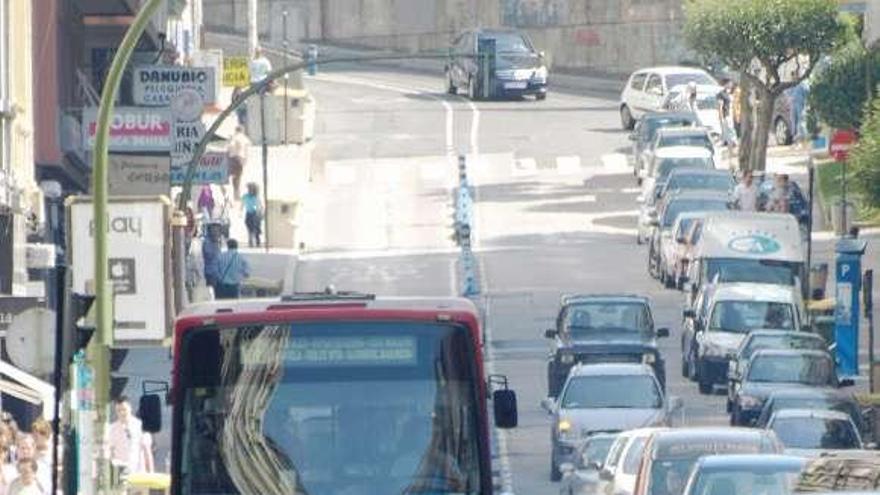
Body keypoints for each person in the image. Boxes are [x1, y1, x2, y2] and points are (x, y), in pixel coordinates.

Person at [109, 397, 145, 489]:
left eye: (124, 409)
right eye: (118, 410)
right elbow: (109, 451)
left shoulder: (139, 425)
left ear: (130, 408)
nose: (121, 413)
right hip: (120, 474)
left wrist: (147, 472)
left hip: (137, 473)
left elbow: (145, 449)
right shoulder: (112, 429)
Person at [227, 126, 251, 200]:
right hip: (241, 159)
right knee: (238, 177)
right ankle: (237, 195)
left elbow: (230, 147)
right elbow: (247, 151)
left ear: (236, 130)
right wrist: (245, 160)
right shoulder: (245, 139)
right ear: (242, 131)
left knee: (232, 177)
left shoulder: (234, 138)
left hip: (233, 158)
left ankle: (234, 194)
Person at [717, 78, 738, 162]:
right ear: (726, 84)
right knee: (730, 133)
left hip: (730, 115)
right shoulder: (721, 94)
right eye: (730, 83)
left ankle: (732, 152)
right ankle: (732, 151)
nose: (731, 84)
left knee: (730, 134)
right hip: (726, 116)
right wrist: (721, 117)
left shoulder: (730, 93)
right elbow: (720, 106)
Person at [242, 183, 263, 248]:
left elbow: (259, 206)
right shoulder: (245, 196)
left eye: (251, 189)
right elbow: (242, 204)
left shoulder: (256, 197)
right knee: (249, 228)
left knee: (255, 228)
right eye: (249, 188)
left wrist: (259, 213)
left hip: (255, 214)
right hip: (248, 213)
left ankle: (257, 242)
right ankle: (250, 241)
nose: (250, 190)